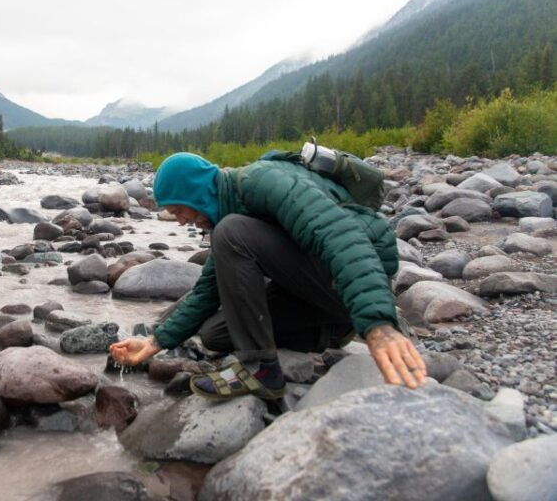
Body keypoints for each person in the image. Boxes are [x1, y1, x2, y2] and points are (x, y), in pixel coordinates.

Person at [109, 151, 426, 399]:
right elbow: (207, 291)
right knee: (216, 334)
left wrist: (378, 325)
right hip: (319, 287)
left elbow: (337, 235)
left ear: (196, 194)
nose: (180, 222)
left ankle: (261, 371)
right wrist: (155, 342)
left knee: (232, 233)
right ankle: (328, 332)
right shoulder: (230, 209)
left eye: (180, 211)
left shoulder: (262, 182)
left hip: (351, 271)